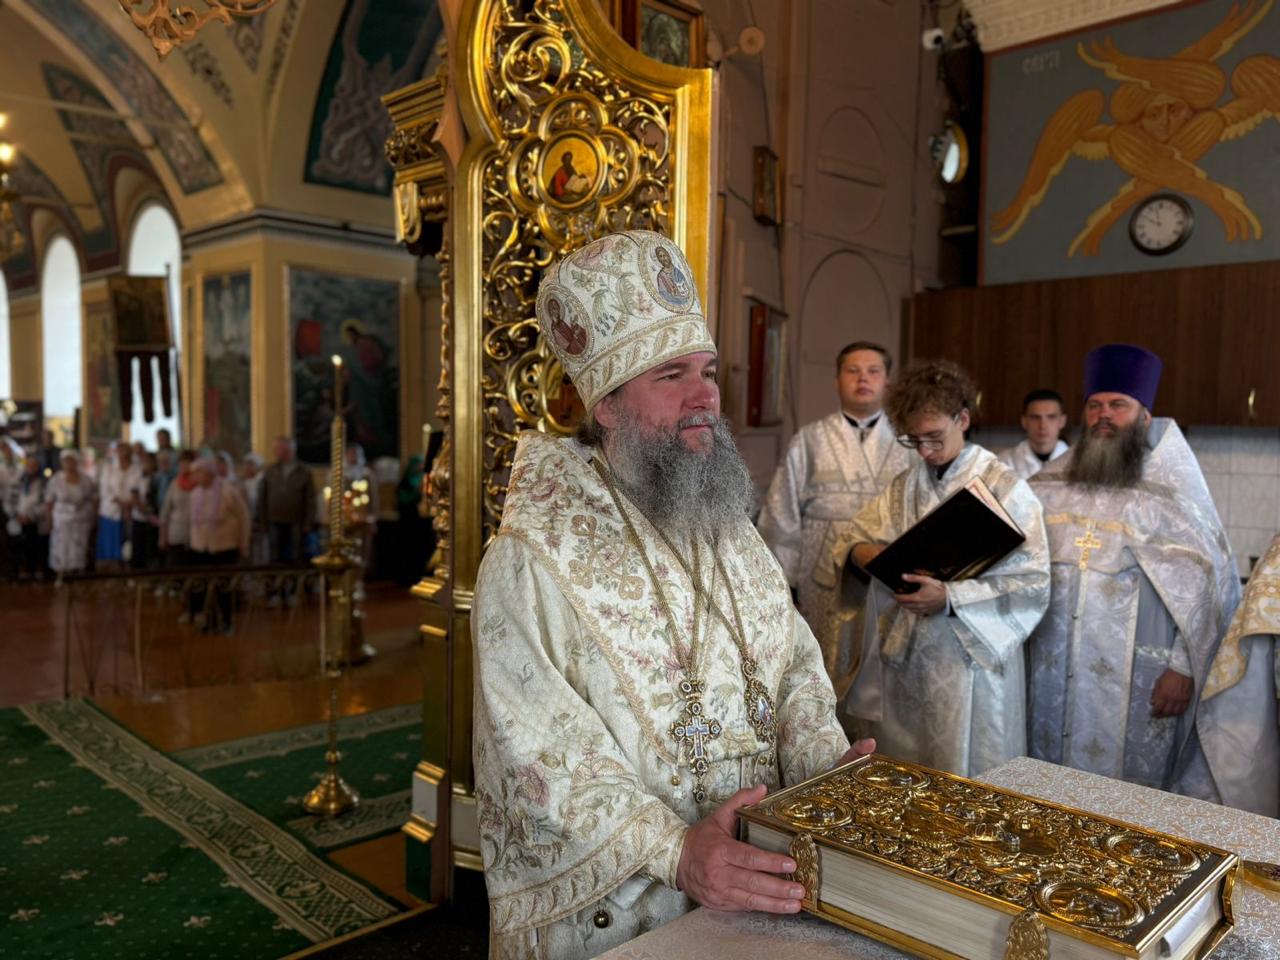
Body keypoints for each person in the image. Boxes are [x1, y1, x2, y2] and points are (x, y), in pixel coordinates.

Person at [472, 230, 872, 958]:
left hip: (763, 881)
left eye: (708, 371)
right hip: (626, 913)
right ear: (607, 405)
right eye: (671, 375)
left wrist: (823, 771)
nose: (705, 396)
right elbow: (536, 754)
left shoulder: (729, 527)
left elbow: (792, 666)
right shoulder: (532, 560)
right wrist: (677, 851)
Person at [1027, 344, 1239, 795]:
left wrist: (1184, 668)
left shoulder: (1174, 495)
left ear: (1144, 416)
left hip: (1140, 676)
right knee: (1047, 788)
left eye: (1118, 405)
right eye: (1094, 405)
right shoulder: (1048, 486)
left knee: (1127, 797)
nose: (1104, 415)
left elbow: (1211, 586)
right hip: (1051, 670)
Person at [833, 360, 1051, 777]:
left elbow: (1033, 581)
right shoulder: (906, 484)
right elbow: (854, 539)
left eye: (934, 437)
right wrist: (863, 552)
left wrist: (950, 597)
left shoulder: (1006, 488)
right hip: (907, 664)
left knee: (964, 778)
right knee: (906, 777)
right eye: (913, 440)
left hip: (967, 664)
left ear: (962, 419)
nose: (924, 451)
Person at [757, 342, 912, 704]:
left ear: (887, 381)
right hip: (821, 577)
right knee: (821, 667)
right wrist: (785, 586)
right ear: (837, 379)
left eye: (873, 371)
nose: (862, 379)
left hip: (886, 576)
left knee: (884, 675)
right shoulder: (809, 440)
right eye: (852, 371)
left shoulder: (908, 443)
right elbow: (781, 516)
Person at [187, 456, 250, 632]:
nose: (194, 476)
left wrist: (243, 543)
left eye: (197, 472)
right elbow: (193, 523)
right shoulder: (195, 494)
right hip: (201, 548)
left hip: (224, 547)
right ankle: (208, 620)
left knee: (224, 587)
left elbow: (244, 518)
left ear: (208, 473)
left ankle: (227, 621)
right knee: (203, 586)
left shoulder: (228, 491)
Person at [258, 435, 315, 565]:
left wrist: (308, 522)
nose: (276, 452)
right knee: (275, 556)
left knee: (296, 556)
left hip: (296, 520)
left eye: (279, 448)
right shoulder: (270, 470)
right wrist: (262, 520)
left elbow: (310, 499)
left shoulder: (304, 471)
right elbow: (263, 496)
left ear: (289, 450)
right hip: (274, 519)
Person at [44, 450, 96, 581]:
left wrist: (94, 518)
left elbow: (94, 498)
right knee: (61, 548)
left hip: (81, 520)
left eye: (71, 461)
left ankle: (77, 574)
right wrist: (48, 520)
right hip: (61, 521)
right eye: (65, 461)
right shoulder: (56, 480)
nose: (68, 464)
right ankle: (61, 574)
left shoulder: (86, 480)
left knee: (79, 548)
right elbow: (49, 501)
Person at [998, 389, 1070, 479]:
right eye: (1035, 417)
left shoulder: (1076, 462)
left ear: (1062, 421)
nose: (1043, 425)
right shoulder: (1004, 463)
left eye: (1051, 417)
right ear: (1024, 421)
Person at [96, 442, 143, 569]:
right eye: (119, 449)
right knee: (110, 546)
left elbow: (137, 488)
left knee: (128, 546)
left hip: (131, 510)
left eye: (124, 449)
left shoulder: (136, 468)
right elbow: (105, 489)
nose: (122, 452)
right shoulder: (109, 467)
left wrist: (129, 504)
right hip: (111, 511)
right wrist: (121, 504)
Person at [10, 456, 49, 581]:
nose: (31, 468)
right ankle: (22, 570)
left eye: (34, 465)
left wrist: (31, 516)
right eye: (29, 465)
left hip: (35, 520)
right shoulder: (18, 482)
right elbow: (11, 501)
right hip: (19, 519)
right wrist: (16, 515)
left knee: (36, 546)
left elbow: (45, 503)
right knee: (19, 546)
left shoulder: (43, 483)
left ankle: (36, 569)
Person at [159, 450, 197, 568]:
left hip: (196, 536)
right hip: (176, 534)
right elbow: (165, 511)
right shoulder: (175, 484)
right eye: (182, 463)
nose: (184, 466)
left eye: (187, 463)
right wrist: (162, 536)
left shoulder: (200, 484)